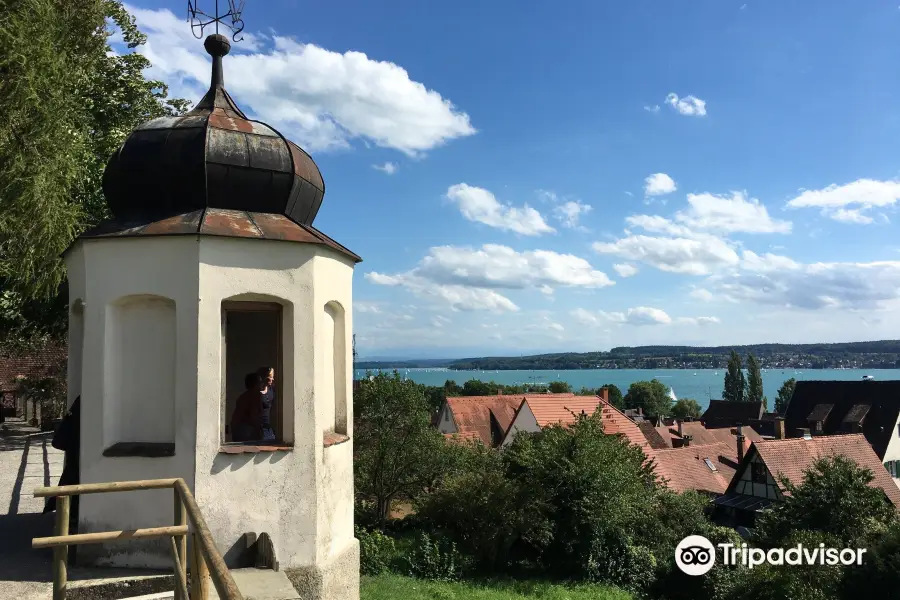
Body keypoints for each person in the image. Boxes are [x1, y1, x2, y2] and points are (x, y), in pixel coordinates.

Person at [231, 373, 263, 442]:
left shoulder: (242, 396)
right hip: (247, 431)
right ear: (256, 384)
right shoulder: (255, 396)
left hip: (237, 430)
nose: (262, 385)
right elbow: (254, 415)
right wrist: (259, 432)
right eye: (260, 382)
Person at [257, 366, 276, 441]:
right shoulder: (257, 391)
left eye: (273, 377)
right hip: (258, 427)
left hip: (267, 426)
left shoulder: (271, 389)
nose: (272, 379)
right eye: (270, 377)